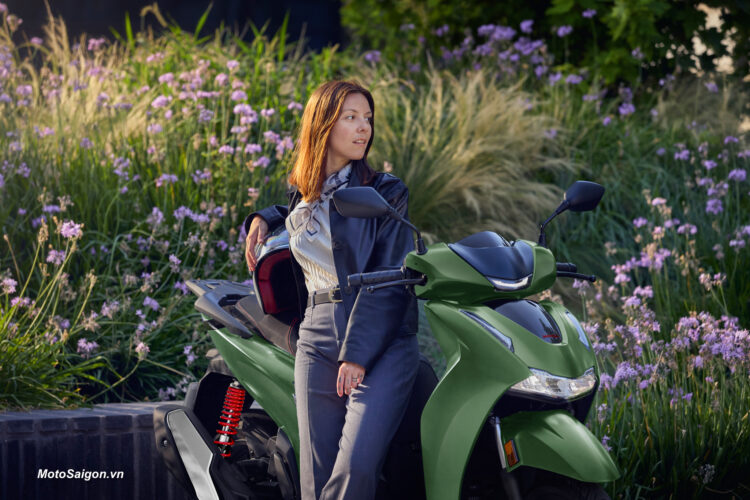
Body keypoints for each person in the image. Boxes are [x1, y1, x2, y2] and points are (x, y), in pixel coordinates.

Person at [243, 80, 419, 500]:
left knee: (354, 470)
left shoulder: (386, 192)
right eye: (351, 118)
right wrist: (263, 217)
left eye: (367, 119)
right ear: (323, 124)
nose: (363, 128)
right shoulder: (306, 192)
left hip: (380, 338)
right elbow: (306, 211)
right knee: (315, 478)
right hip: (316, 335)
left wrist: (357, 352)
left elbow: (391, 276)